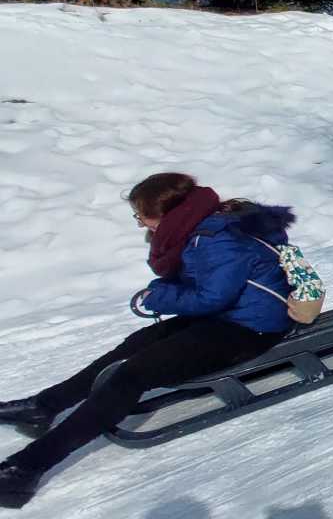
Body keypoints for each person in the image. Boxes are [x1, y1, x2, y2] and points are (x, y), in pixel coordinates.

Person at [0, 174, 296, 509]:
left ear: (169, 213)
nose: (140, 223)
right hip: (232, 315)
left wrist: (161, 296)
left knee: (133, 373)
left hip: (251, 328)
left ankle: (26, 468)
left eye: (142, 216)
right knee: (135, 344)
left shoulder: (218, 238)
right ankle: (44, 406)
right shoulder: (206, 226)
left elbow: (211, 298)